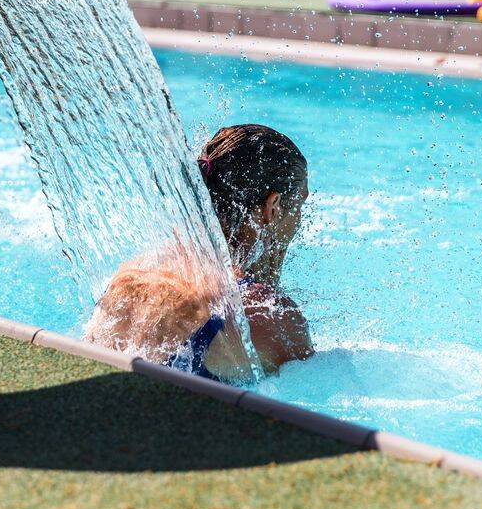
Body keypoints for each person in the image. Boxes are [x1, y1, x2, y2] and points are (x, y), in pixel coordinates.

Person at [85, 124, 314, 379]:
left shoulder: (139, 268)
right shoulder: (270, 315)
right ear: (273, 207)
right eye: (300, 206)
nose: (299, 221)